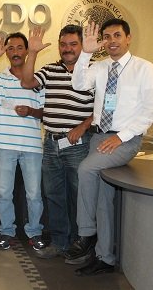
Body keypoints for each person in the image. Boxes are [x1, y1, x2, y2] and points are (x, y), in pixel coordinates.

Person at [65, 19, 153, 276]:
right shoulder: (100, 66)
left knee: (85, 170)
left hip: (125, 140)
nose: (112, 41)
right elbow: (79, 84)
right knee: (103, 200)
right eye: (106, 37)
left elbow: (151, 111)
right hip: (99, 137)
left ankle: (85, 234)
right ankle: (105, 257)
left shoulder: (144, 68)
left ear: (128, 38)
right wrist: (86, 52)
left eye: (117, 35)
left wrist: (122, 137)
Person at [20, 25, 95, 259]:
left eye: (73, 44)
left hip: (79, 144)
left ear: (82, 45)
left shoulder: (94, 72)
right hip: (51, 144)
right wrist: (31, 53)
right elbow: (27, 82)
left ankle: (80, 245)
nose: (67, 49)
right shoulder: (51, 69)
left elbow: (102, 108)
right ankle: (61, 243)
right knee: (53, 195)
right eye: (63, 44)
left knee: (78, 197)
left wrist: (82, 127)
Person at [0, 32, 47, 251]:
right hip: (4, 145)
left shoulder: (37, 80)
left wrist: (31, 111)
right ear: (6, 52)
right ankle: (6, 232)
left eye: (19, 48)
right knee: (3, 193)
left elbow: (46, 113)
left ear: (27, 51)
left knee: (34, 194)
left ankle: (35, 232)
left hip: (32, 146)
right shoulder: (0, 77)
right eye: (11, 49)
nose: (15, 52)